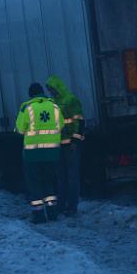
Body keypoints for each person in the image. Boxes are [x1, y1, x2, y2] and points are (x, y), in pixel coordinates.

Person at [16, 82, 63, 223]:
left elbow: (20, 129)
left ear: (30, 94)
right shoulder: (54, 106)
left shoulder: (27, 107)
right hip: (52, 153)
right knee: (50, 181)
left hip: (33, 154)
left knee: (35, 183)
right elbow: (60, 124)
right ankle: (52, 212)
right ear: (43, 92)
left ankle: (39, 215)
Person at [46, 75, 84, 216]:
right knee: (62, 177)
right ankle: (62, 205)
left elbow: (79, 122)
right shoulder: (54, 102)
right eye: (49, 89)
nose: (51, 91)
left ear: (57, 87)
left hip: (71, 145)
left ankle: (72, 206)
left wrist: (75, 141)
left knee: (72, 176)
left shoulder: (70, 100)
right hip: (60, 144)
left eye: (51, 88)